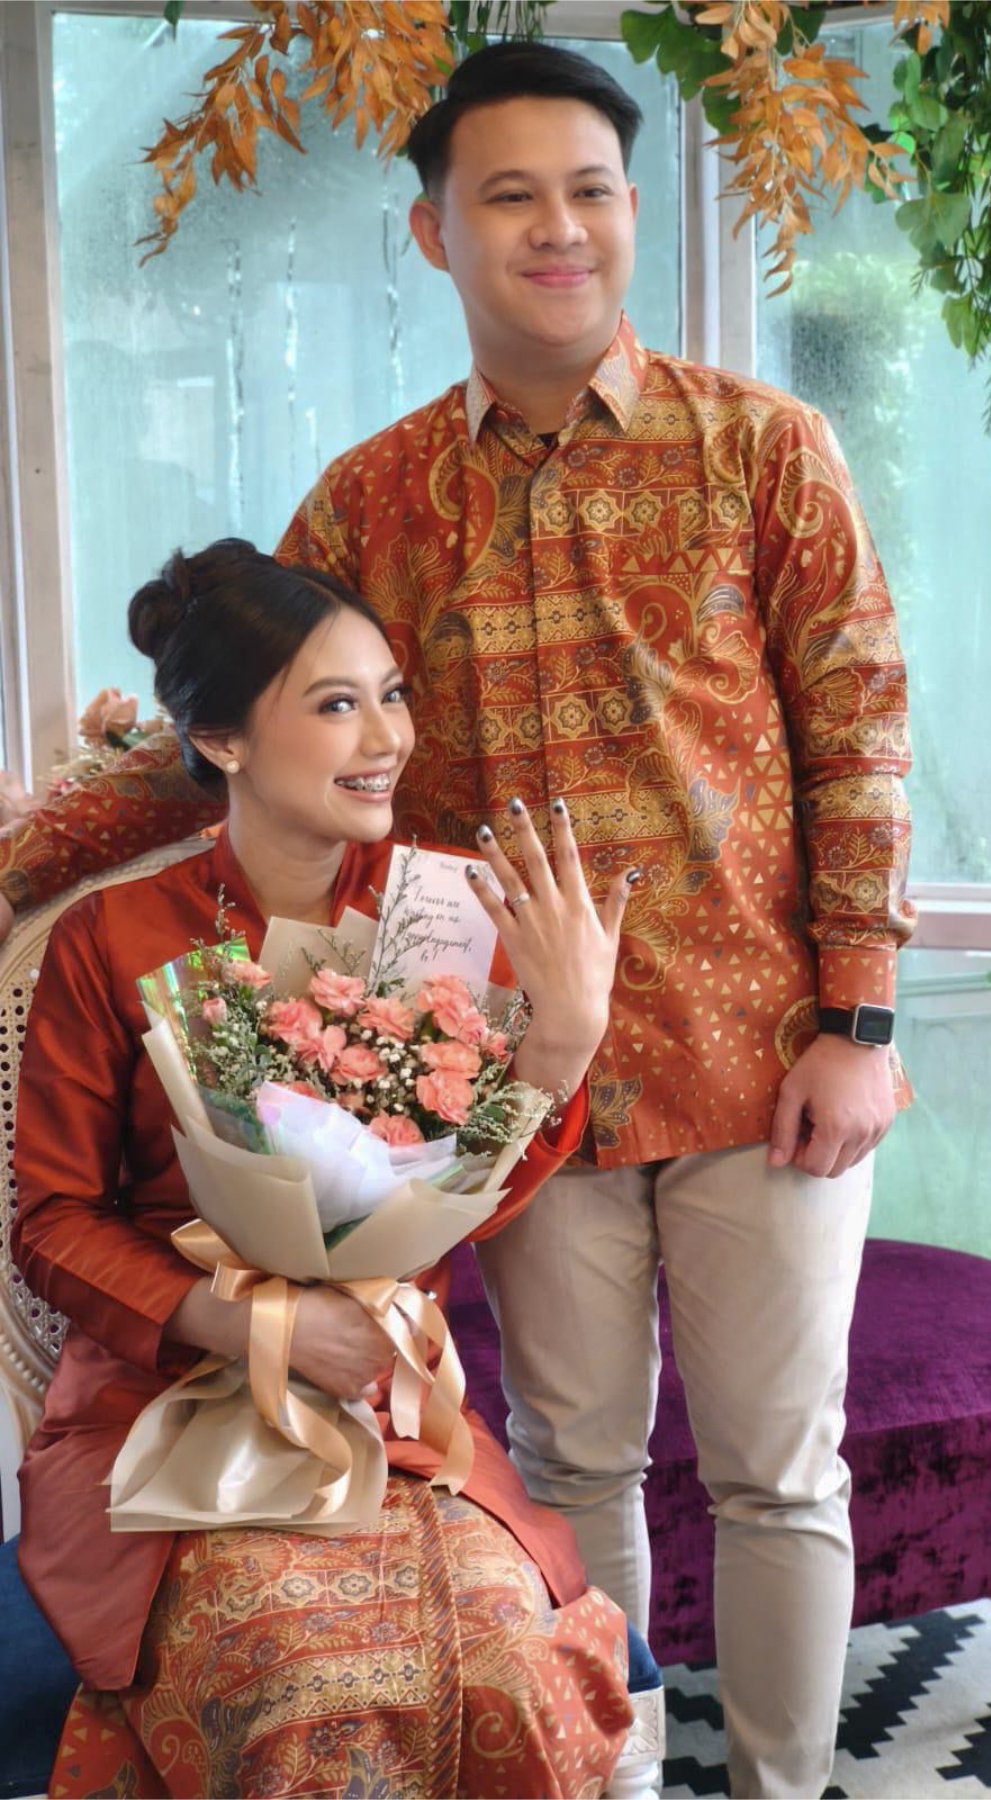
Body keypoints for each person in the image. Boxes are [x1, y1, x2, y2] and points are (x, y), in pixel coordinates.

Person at [0, 42, 916, 1799]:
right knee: (572, 1463)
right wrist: (40, 833)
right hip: (497, 1082)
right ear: (434, 233)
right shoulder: (373, 498)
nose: (556, 229)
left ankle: (783, 1786)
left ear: (633, 213)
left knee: (777, 1472)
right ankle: (605, 1777)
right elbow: (248, 709)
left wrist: (857, 1018)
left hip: (762, 1055)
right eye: (508, 197)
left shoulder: (763, 451)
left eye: (589, 192)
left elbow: (858, 725)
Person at [13, 540, 645, 1800]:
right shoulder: (109, 937)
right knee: (299, 1675)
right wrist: (263, 1328)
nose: (388, 737)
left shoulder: (447, 917)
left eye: (392, 694)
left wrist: (563, 1049)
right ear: (222, 739)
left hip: (389, 1403)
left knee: (502, 1666)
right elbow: (52, 1222)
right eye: (338, 703)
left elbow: (460, 1202)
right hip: (162, 1413)